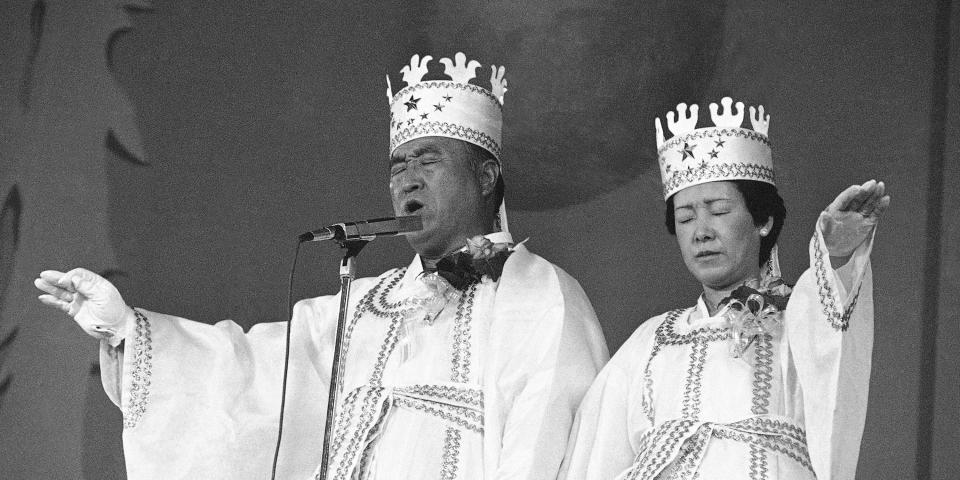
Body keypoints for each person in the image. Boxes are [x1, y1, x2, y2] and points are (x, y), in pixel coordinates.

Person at [34, 52, 609, 480]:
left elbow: (550, 448)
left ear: (486, 177)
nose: (406, 178)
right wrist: (129, 332)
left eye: (429, 161)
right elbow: (252, 381)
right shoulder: (362, 305)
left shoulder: (540, 296)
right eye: (397, 165)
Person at [559, 97, 889, 480]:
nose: (701, 232)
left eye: (718, 212)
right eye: (685, 218)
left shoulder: (797, 320)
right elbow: (594, 459)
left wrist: (834, 258)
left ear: (762, 220)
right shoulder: (653, 341)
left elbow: (834, 362)